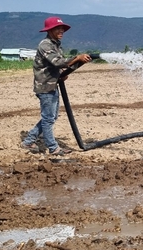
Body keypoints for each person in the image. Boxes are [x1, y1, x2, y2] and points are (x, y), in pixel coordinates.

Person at [21, 16, 91, 155]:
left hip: (53, 85)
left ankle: (29, 141)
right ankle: (53, 148)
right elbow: (58, 62)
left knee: (51, 117)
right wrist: (77, 58)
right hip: (45, 86)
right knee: (48, 118)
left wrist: (62, 74)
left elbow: (56, 66)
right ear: (50, 30)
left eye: (62, 29)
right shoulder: (45, 45)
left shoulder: (56, 45)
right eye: (58, 28)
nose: (61, 31)